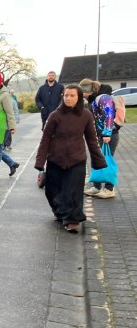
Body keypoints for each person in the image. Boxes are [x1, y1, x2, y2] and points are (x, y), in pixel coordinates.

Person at [34, 85, 107, 233]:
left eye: (72, 95)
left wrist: (98, 160)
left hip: (77, 159)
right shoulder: (55, 115)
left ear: (78, 97)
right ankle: (60, 212)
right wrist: (40, 161)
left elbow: (91, 140)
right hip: (55, 159)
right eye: (66, 95)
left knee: (72, 192)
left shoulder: (86, 116)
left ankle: (72, 220)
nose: (68, 98)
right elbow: (45, 139)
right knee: (52, 192)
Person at [82, 80, 119, 199]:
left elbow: (109, 114)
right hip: (99, 134)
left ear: (89, 89)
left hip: (109, 135)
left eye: (83, 91)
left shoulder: (103, 97)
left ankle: (109, 189)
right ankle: (96, 186)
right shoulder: (94, 99)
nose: (82, 94)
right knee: (97, 159)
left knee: (107, 161)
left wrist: (107, 133)